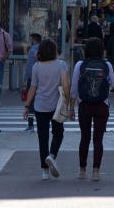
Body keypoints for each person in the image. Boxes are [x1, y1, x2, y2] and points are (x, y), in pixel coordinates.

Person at [23, 38, 70, 180]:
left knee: (42, 138)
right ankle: (52, 155)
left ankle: (44, 171)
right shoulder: (61, 65)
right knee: (58, 133)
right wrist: (67, 101)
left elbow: (33, 87)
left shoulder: (36, 66)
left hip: (40, 106)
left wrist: (26, 106)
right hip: (56, 106)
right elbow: (65, 85)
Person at [71, 38, 114, 181]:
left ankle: (82, 170)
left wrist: (72, 106)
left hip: (84, 105)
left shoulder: (80, 64)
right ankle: (96, 171)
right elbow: (113, 83)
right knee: (98, 139)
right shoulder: (107, 64)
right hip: (102, 105)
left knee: (84, 138)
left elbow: (73, 88)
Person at [23, 33, 42, 131]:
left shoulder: (32, 50)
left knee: (30, 101)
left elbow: (29, 67)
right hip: (42, 79)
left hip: (33, 79)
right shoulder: (43, 49)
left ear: (34, 40)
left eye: (30, 39)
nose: (29, 41)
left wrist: (25, 79)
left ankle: (30, 125)